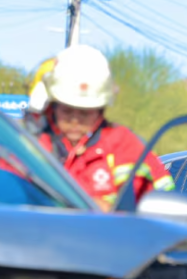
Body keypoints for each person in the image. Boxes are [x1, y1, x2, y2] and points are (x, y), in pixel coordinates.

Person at [36, 45, 175, 210]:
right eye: (66, 110)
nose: (75, 120)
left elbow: (166, 201)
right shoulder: (31, 143)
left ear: (100, 110)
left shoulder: (124, 144)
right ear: (53, 107)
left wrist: (112, 212)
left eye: (85, 113)